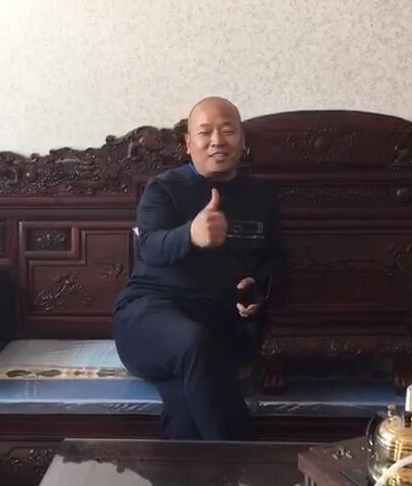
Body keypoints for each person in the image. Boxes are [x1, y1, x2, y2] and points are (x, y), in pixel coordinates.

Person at [112, 96, 288, 440]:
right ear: (188, 143)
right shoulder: (163, 188)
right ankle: (242, 462)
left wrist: (257, 289)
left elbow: (278, 258)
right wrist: (190, 235)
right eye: (205, 132)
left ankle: (196, 468)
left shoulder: (260, 195)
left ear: (242, 139)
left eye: (228, 131)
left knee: (185, 411)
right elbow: (150, 247)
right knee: (193, 343)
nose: (217, 141)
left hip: (218, 322)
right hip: (148, 316)